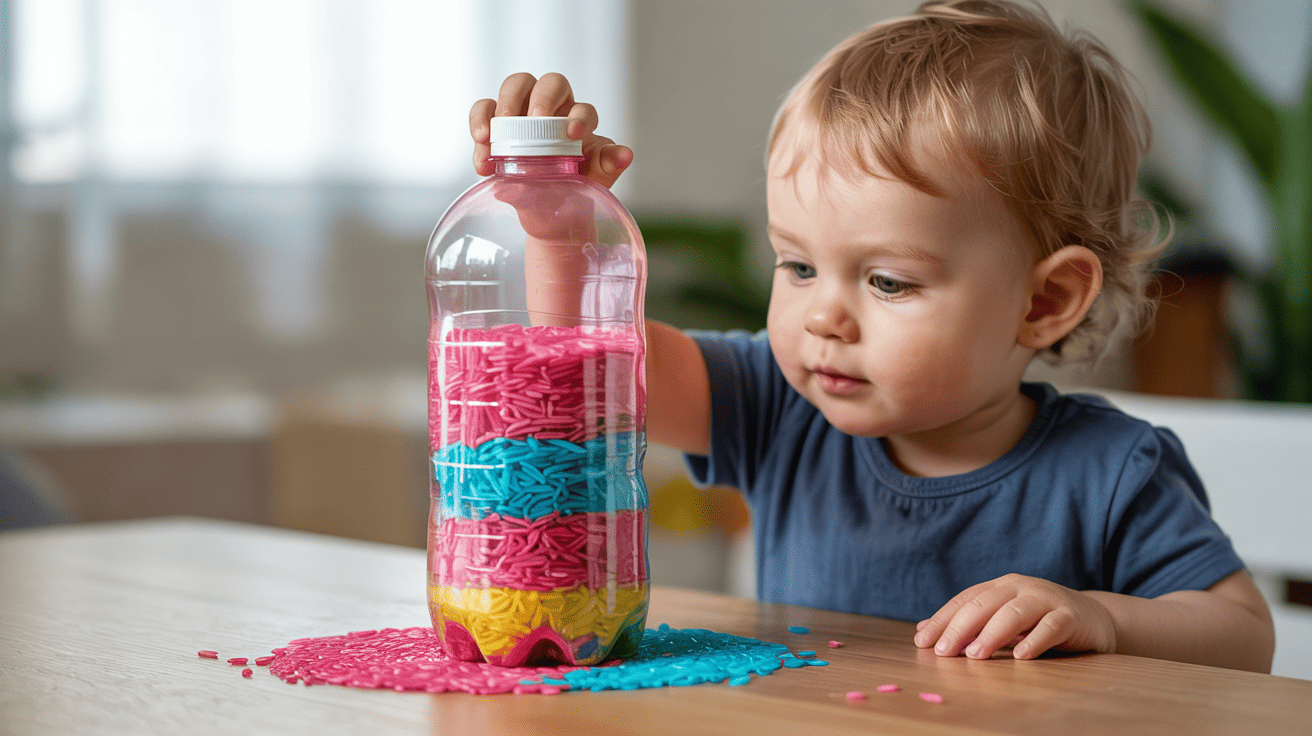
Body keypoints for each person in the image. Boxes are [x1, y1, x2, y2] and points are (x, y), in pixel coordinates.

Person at [467, 0, 1275, 672]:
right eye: (798, 266)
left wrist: (1101, 616)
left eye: (888, 281)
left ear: (1045, 301)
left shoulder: (1112, 471)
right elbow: (589, 369)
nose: (823, 317)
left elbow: (1244, 634)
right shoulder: (777, 402)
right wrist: (559, 226)